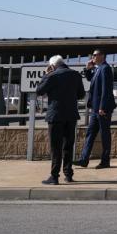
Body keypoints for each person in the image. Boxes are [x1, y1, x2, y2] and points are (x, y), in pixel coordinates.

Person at [35, 55, 85, 185]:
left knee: (55, 147)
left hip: (55, 116)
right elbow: (81, 94)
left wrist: (46, 74)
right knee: (68, 146)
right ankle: (68, 174)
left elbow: (39, 90)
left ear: (52, 66)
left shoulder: (52, 75)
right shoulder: (75, 75)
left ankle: (54, 176)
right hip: (71, 115)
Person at [76, 49, 115, 169]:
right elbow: (90, 79)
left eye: (94, 55)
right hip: (94, 108)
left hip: (102, 109)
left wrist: (103, 107)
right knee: (90, 133)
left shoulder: (105, 68)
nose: (92, 57)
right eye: (92, 55)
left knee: (104, 135)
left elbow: (106, 89)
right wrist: (88, 69)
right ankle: (84, 159)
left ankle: (105, 161)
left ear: (102, 56)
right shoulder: (98, 69)